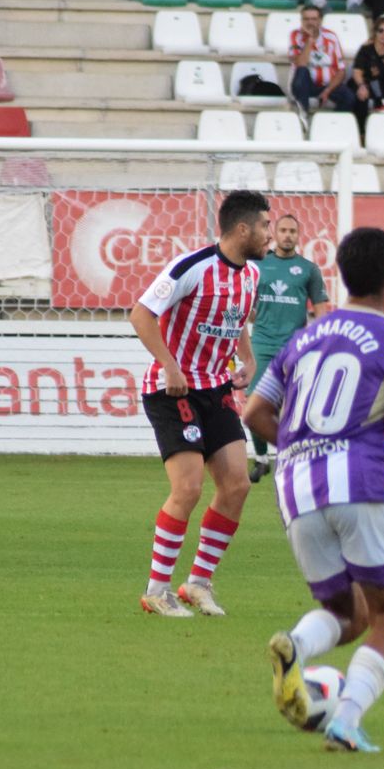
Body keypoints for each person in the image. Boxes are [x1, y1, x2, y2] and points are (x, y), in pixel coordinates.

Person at [247, 227, 384, 755]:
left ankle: (297, 645)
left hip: (295, 487)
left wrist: (302, 446)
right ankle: (347, 721)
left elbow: (255, 412)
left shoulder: (303, 338)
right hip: (361, 482)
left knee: (347, 613)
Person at [130, 189, 267, 618]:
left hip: (217, 389)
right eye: (265, 226)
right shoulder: (191, 267)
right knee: (187, 488)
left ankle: (198, 584)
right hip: (173, 391)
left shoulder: (251, 275)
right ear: (242, 229)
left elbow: (235, 318)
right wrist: (170, 365)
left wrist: (246, 356)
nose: (269, 234)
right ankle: (157, 589)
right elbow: (140, 313)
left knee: (237, 485)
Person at [245, 214, 330, 483]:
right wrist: (260, 319)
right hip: (261, 343)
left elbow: (321, 310)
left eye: (293, 230)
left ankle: (291, 455)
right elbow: (245, 303)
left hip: (294, 347)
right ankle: (261, 458)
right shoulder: (258, 265)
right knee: (254, 402)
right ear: (275, 233)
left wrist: (317, 339)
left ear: (298, 234)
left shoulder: (308, 269)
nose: (287, 235)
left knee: (293, 406)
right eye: (283, 230)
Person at [289, 3, 356, 121]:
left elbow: (341, 71)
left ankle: (333, 123)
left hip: (327, 84)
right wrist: (310, 41)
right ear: (301, 20)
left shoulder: (331, 37)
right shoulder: (296, 35)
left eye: (314, 19)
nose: (310, 23)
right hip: (305, 84)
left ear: (320, 20)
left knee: (350, 97)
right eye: (306, 19)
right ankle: (303, 115)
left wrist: (328, 90)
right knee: (302, 72)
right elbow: (300, 64)